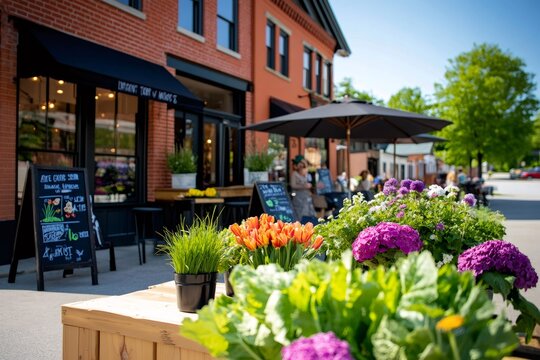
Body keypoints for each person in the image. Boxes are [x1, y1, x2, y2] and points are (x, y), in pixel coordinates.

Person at [290, 155, 316, 220]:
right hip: (298, 198)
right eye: (300, 164)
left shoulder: (303, 173)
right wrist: (303, 186)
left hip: (306, 197)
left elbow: (306, 169)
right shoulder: (294, 174)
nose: (301, 166)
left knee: (307, 213)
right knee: (299, 214)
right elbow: (293, 185)